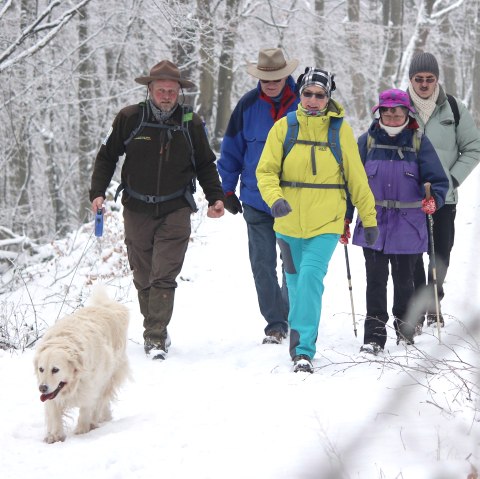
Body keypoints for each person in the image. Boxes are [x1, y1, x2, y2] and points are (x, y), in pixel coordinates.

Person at [89, 60, 225, 360]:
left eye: (172, 91)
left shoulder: (191, 122)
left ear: (180, 92)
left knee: (164, 274)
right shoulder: (130, 118)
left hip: (176, 207)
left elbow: (205, 163)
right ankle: (156, 324)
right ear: (149, 89)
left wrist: (216, 197)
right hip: (136, 207)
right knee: (144, 274)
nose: (167, 96)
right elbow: (107, 156)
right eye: (161, 90)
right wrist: (97, 192)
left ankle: (155, 337)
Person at [256, 67, 378, 373]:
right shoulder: (284, 128)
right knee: (296, 285)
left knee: (310, 277)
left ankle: (304, 350)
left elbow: (357, 179)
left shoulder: (340, 131)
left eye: (320, 95)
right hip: (288, 223)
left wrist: (369, 217)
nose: (313, 100)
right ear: (300, 94)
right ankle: (299, 341)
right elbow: (265, 171)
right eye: (308, 93)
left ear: (328, 97)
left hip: (327, 222)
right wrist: (275, 199)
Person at [347, 89, 449, 355]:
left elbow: (438, 181)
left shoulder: (418, 143)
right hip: (374, 224)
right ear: (379, 112)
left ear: (407, 113)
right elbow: (349, 183)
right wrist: (346, 216)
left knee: (405, 282)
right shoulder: (366, 142)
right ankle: (374, 337)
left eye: (397, 111)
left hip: (409, 226)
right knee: (375, 281)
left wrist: (434, 200)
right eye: (387, 111)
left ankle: (405, 330)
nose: (392, 115)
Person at [217, 48, 300, 345]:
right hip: (255, 200)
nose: (271, 83)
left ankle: (290, 315)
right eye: (265, 79)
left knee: (292, 262)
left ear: (285, 75)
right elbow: (231, 151)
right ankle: (275, 324)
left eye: (276, 77)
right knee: (261, 263)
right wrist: (226, 190)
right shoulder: (247, 106)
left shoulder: (306, 103)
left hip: (294, 201)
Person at [407, 52, 480, 331]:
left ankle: (434, 304)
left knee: (441, 253)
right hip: (409, 199)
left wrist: (450, 179)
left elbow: (474, 147)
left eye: (430, 78)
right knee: (412, 254)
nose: (424, 84)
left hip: (444, 198)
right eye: (419, 79)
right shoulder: (399, 107)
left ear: (437, 79)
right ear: (411, 79)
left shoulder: (453, 108)